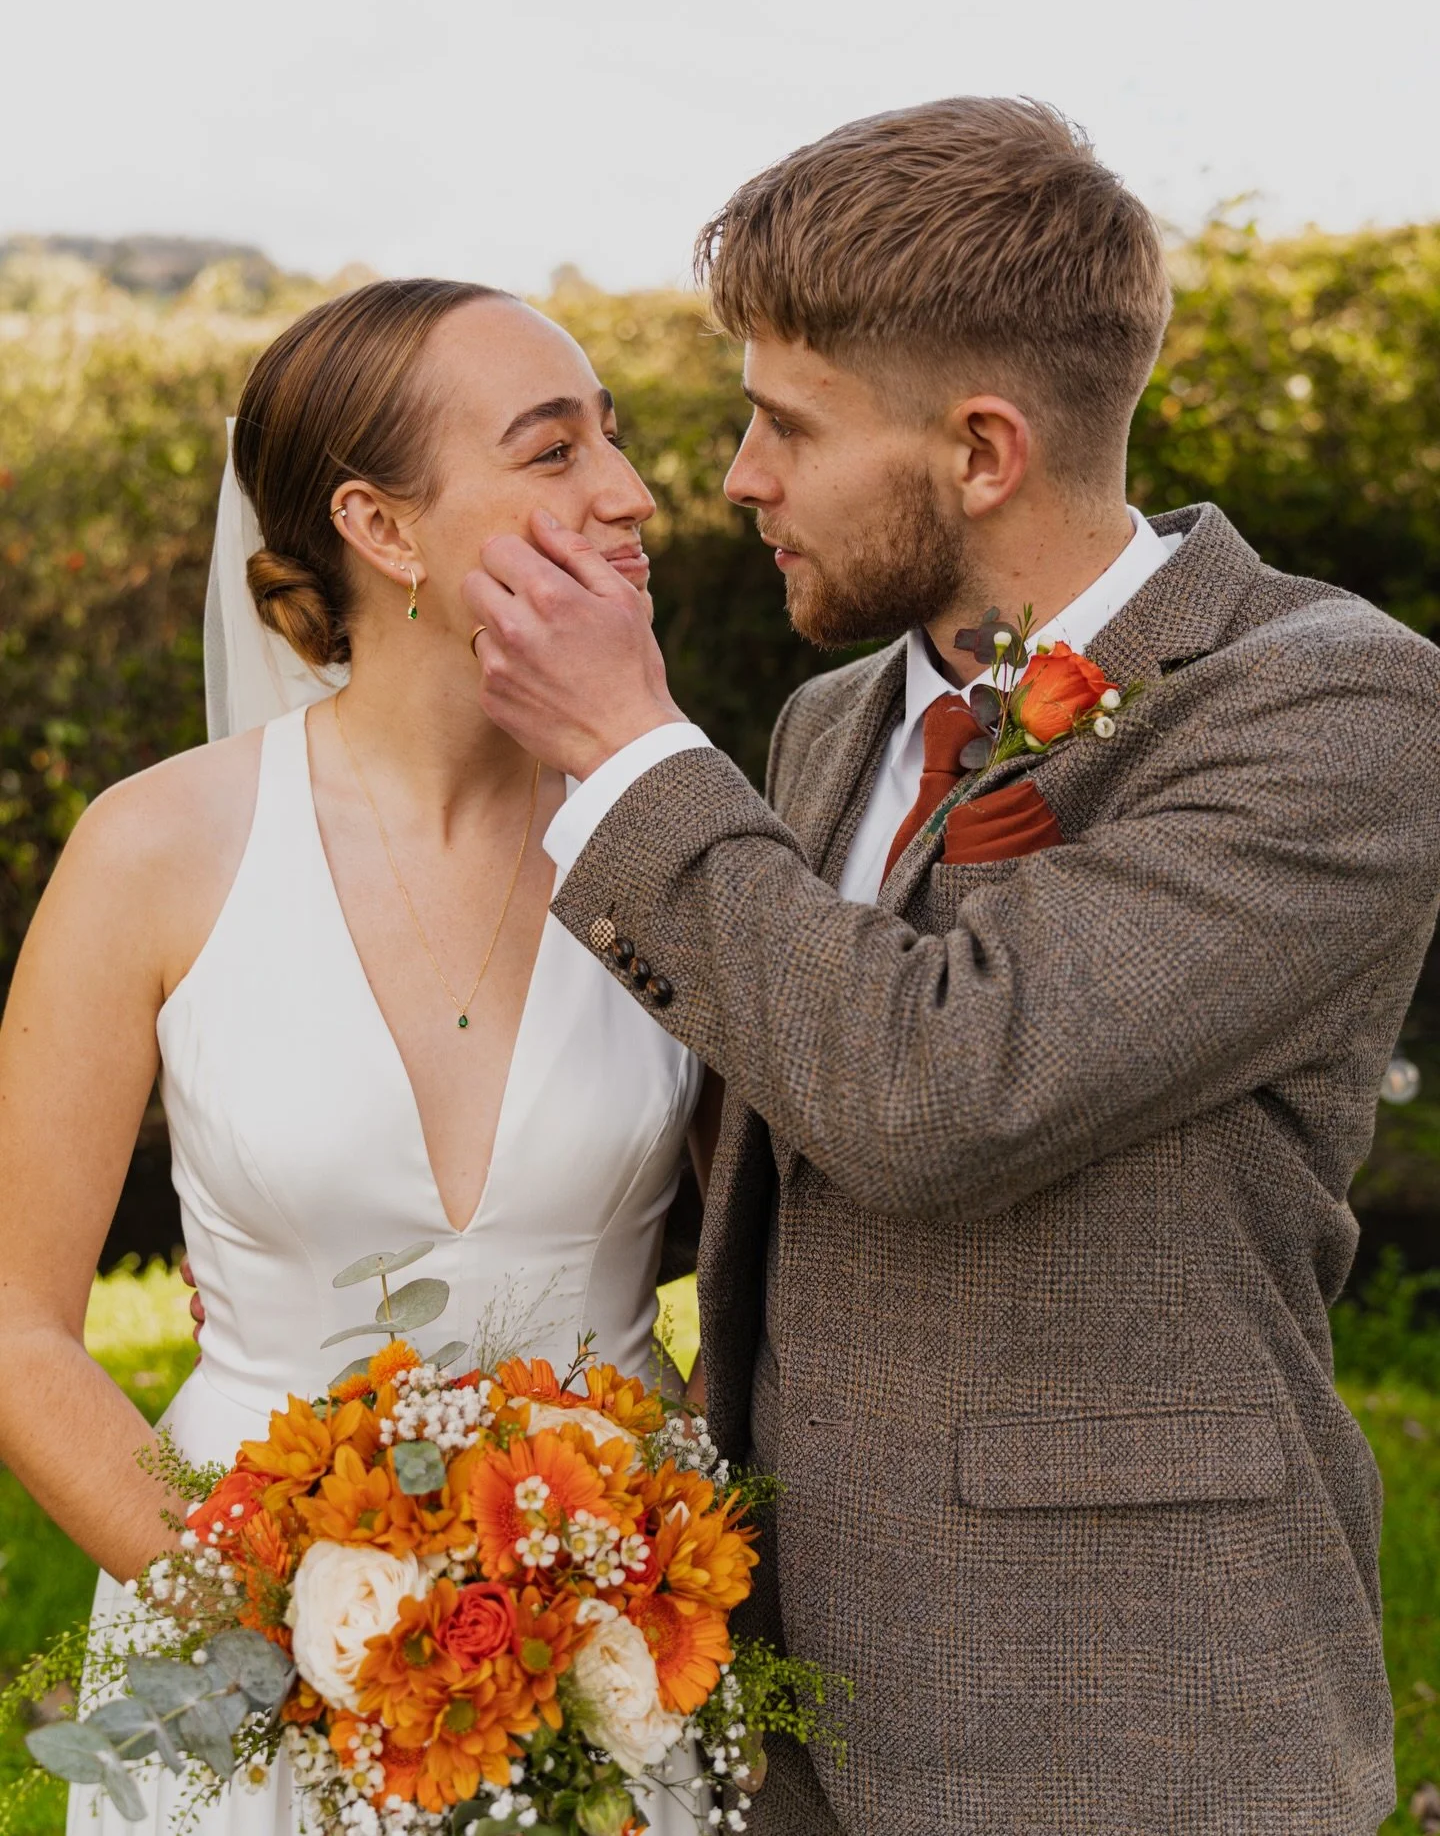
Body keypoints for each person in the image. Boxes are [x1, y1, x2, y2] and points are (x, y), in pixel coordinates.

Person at [463, 98, 1440, 1835]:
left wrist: (624, 750)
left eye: (784, 424)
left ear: (983, 450)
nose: (736, 478)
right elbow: (765, 1112)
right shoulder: (831, 719)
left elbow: (937, 1089)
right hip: (779, 1707)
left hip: (1125, 1717)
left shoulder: (1340, 707)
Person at [0, 278, 718, 1836]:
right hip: (234, 1658)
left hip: (613, 1652)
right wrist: (276, 1626)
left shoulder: (689, 836)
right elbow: (14, 1317)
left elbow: (818, 1250)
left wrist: (643, 1566)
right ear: (384, 531)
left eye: (616, 434)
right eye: (552, 450)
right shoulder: (154, 852)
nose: (631, 489)